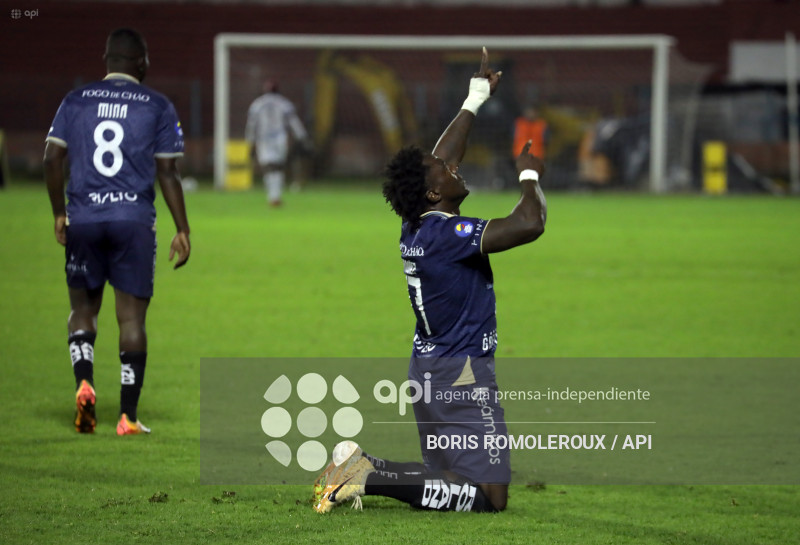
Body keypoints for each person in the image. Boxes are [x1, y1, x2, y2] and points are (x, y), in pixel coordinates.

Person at [313, 48, 547, 514]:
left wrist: (475, 97)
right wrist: (529, 174)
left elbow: (441, 156)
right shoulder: (451, 234)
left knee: (448, 479)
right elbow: (529, 224)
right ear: (435, 192)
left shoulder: (418, 222)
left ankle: (361, 465)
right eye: (446, 171)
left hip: (427, 369)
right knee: (490, 497)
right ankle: (366, 475)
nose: (453, 165)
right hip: (463, 374)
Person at [43, 28, 191, 436]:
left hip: (85, 220)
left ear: (106, 60)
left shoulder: (75, 101)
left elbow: (51, 159)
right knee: (131, 319)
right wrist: (183, 228)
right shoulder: (157, 105)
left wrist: (60, 213)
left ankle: (85, 383)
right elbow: (168, 171)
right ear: (142, 63)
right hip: (134, 223)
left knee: (83, 311)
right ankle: (127, 416)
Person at [244, 80, 310, 206]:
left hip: (263, 139)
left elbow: (251, 125)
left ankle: (272, 196)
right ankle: (276, 196)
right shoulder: (284, 103)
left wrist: (250, 141)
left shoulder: (257, 104)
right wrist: (302, 137)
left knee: (268, 167)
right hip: (279, 138)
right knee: (278, 167)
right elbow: (294, 122)